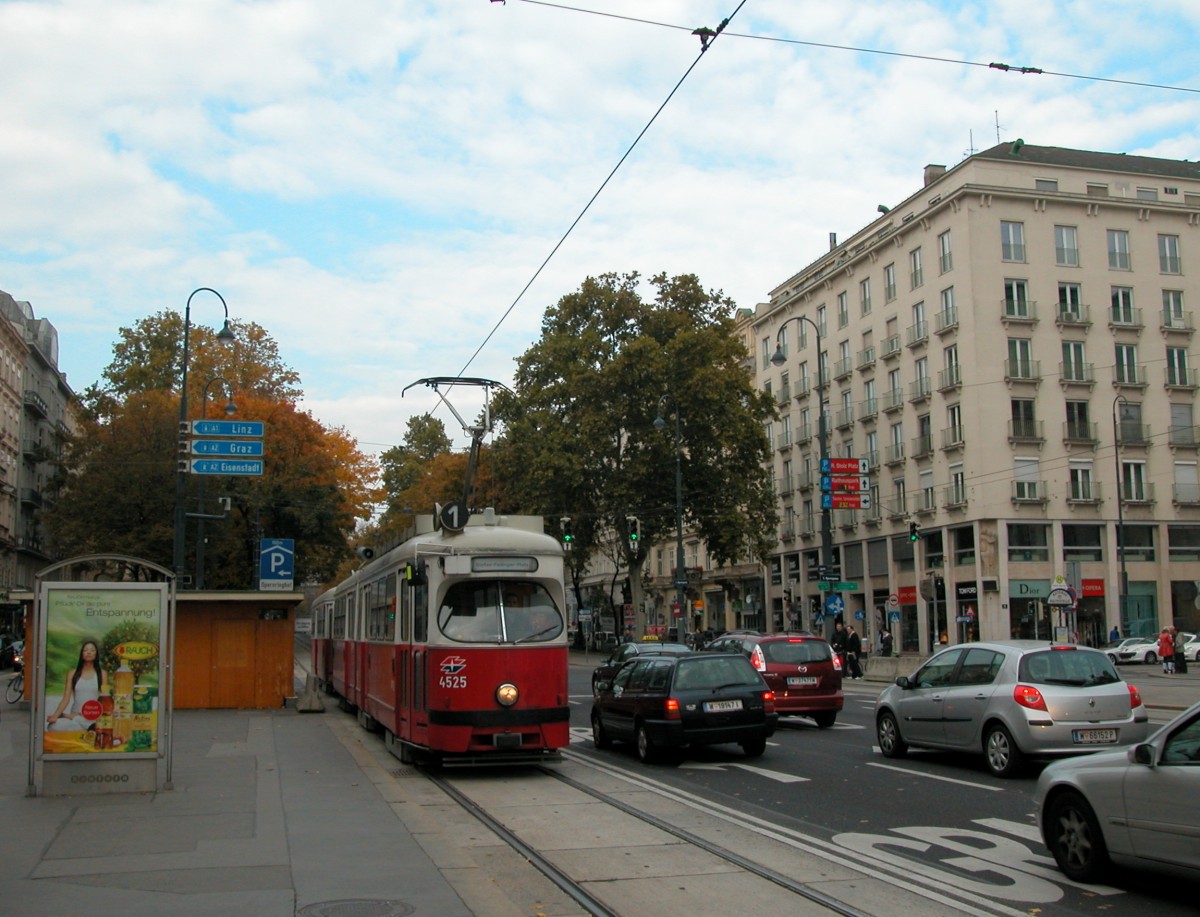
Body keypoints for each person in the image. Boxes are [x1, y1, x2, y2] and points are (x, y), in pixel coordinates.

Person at [47, 638, 108, 731]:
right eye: (85, 650)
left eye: (92, 650)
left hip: (94, 717)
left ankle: (75, 719)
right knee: (53, 726)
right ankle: (80, 723)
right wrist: (55, 716)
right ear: (82, 654)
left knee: (99, 725)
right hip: (75, 716)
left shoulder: (102, 673)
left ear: (96, 654)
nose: (89, 652)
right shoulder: (73, 673)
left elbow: (105, 698)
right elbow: (66, 698)